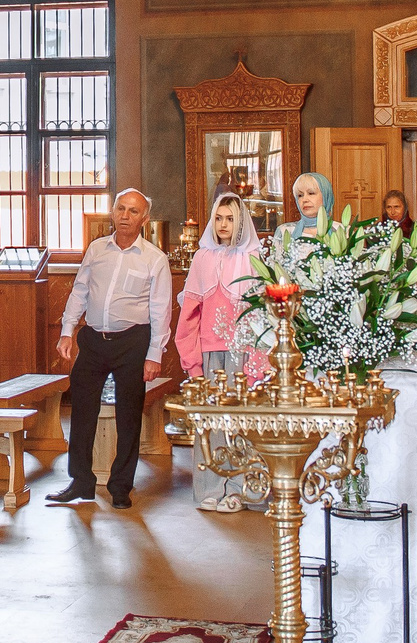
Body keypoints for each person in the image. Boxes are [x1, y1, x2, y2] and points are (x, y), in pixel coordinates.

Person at [48, 188, 172, 509]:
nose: (125, 217)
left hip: (133, 342)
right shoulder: (96, 249)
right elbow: (79, 290)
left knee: (128, 415)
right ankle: (81, 481)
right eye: (121, 209)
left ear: (144, 219)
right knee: (82, 410)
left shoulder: (154, 259)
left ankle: (120, 486)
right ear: (113, 212)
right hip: (93, 340)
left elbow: (161, 310)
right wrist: (66, 331)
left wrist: (154, 355)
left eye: (133, 212)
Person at [175, 191, 264, 512]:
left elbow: (260, 315)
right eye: (218, 218)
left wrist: (258, 360)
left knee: (241, 422)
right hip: (211, 354)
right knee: (210, 422)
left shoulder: (253, 258)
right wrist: (191, 360)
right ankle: (210, 487)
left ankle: (241, 489)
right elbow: (189, 315)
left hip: (242, 354)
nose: (223, 224)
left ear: (240, 223)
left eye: (230, 219)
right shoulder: (202, 258)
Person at [281, 172, 335, 246]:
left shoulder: (343, 231)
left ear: (326, 196)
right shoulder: (285, 231)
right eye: (300, 195)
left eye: (311, 193)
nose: (305, 200)